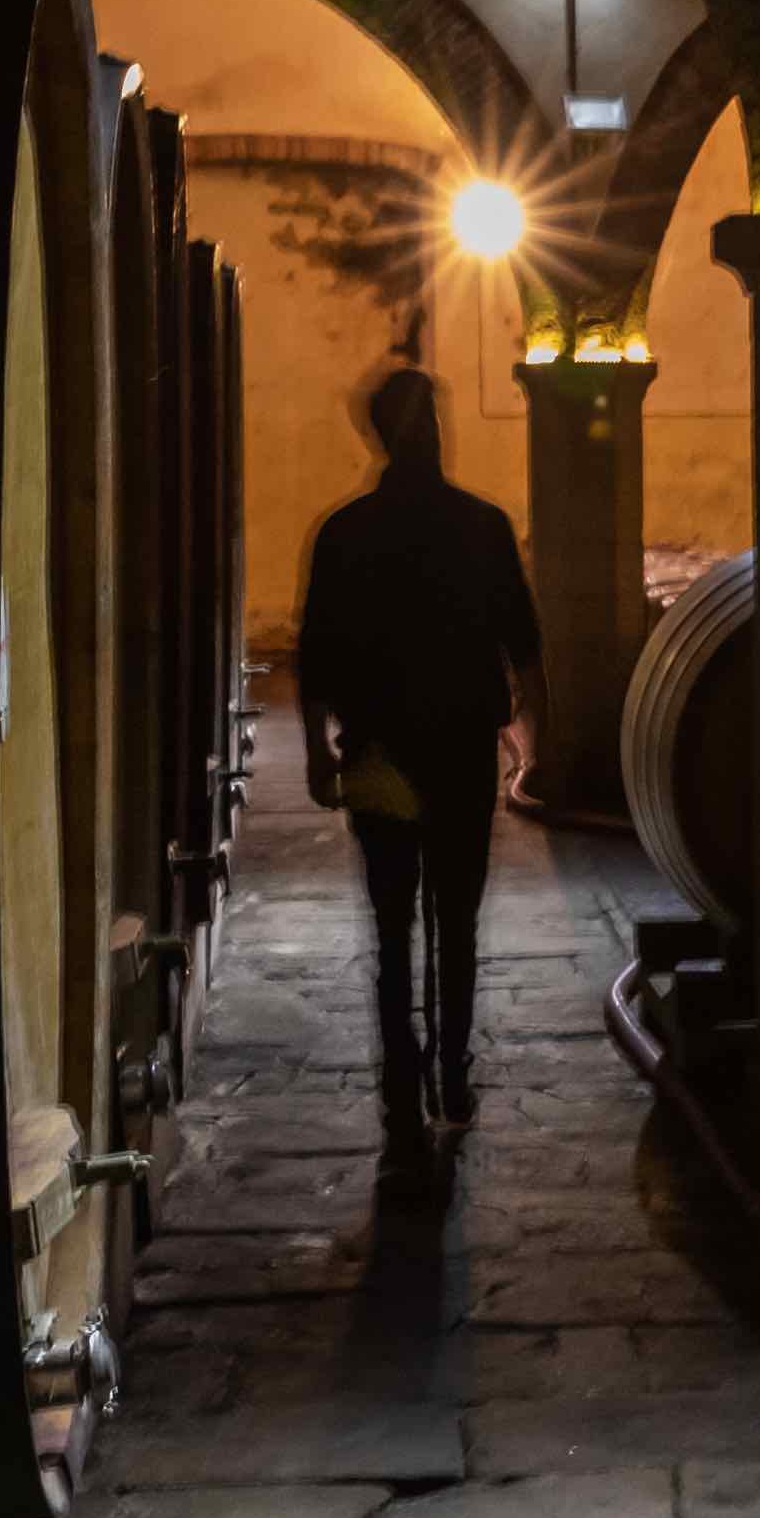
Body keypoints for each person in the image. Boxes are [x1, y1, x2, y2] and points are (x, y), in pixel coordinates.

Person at [295, 368, 545, 1136]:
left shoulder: (345, 533)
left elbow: (316, 657)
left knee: (394, 922)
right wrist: (539, 740)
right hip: (462, 749)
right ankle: (452, 1073)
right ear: (435, 432)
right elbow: (525, 650)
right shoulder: (482, 525)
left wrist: (316, 754)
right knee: (456, 921)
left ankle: (404, 1082)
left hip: (379, 752)